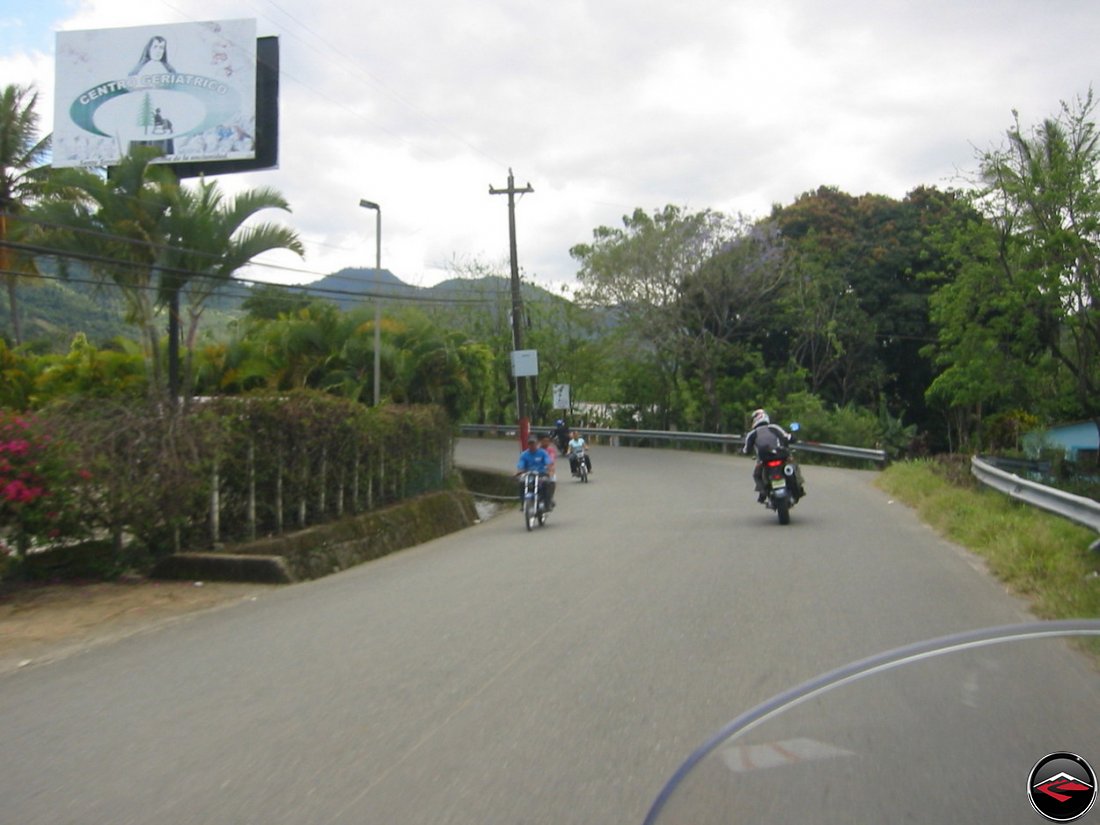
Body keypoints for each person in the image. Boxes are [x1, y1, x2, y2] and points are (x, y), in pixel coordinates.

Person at [741, 408, 793, 502]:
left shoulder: (752, 434)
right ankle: (795, 486)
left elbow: (746, 450)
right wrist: (793, 438)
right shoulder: (774, 427)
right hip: (781, 456)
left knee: (757, 475)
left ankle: (763, 492)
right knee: (792, 467)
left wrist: (742, 451)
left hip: (764, 460)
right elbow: (787, 437)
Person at [516, 434, 553, 510]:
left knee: (547, 483)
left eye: (533, 443)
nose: (532, 445)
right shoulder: (524, 454)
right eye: (530, 443)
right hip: (529, 475)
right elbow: (521, 464)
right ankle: (523, 504)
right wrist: (519, 471)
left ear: (537, 443)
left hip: (541, 474)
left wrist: (549, 471)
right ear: (528, 444)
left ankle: (547, 503)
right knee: (521, 483)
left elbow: (548, 462)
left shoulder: (542, 453)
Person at [538, 433, 559, 508]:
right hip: (537, 470)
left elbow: (551, 459)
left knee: (552, 481)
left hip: (548, 470)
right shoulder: (536, 449)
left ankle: (550, 498)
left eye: (548, 441)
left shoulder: (551, 450)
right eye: (544, 441)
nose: (546, 443)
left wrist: (549, 466)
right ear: (540, 441)